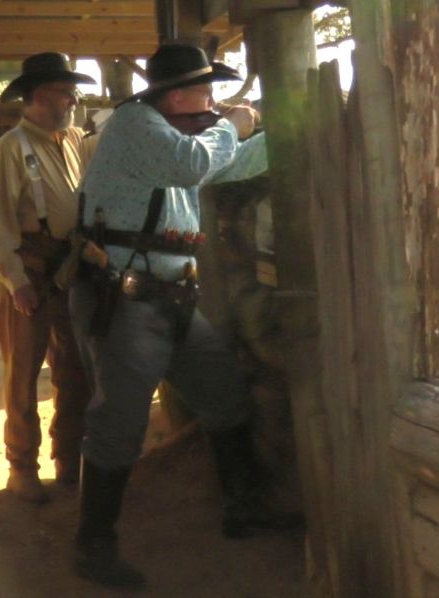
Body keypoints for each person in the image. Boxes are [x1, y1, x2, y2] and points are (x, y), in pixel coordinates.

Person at [70, 44, 303, 590]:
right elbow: (197, 162)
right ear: (176, 96)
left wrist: (289, 136)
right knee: (119, 424)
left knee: (224, 395)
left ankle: (243, 506)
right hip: (126, 298)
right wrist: (234, 124)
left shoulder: (174, 136)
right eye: (206, 92)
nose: (213, 103)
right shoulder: (136, 124)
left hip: (170, 297)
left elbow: (230, 163)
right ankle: (92, 547)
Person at [0, 53, 96, 502]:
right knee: (22, 375)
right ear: (38, 95)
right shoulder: (10, 148)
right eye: (65, 92)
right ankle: (22, 469)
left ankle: (68, 458)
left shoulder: (72, 139)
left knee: (74, 370)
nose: (73, 99)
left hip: (70, 267)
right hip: (32, 271)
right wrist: (15, 280)